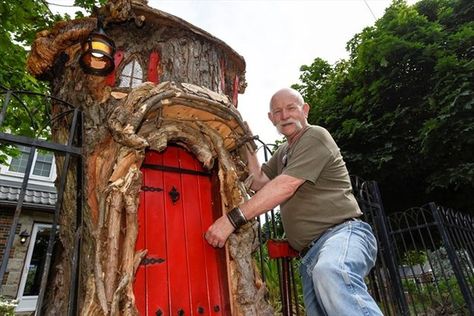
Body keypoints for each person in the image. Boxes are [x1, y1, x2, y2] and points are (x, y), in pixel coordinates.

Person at [205, 87, 383, 315]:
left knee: (331, 271)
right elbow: (259, 182)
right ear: (271, 119)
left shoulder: (315, 135)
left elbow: (285, 186)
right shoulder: (283, 153)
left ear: (305, 110)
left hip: (343, 234)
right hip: (310, 256)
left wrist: (232, 219)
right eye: (277, 112)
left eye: (291, 108)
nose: (284, 115)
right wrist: (247, 141)